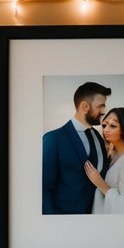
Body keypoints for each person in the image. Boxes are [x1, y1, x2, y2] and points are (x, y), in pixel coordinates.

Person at [42, 81, 110, 214]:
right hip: (65, 223)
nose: (104, 111)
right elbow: (44, 190)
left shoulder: (98, 137)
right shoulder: (53, 139)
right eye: (100, 106)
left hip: (97, 220)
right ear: (85, 106)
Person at [84, 107, 124, 215]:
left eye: (112, 126)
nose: (105, 129)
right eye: (104, 125)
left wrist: (100, 183)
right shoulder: (112, 156)